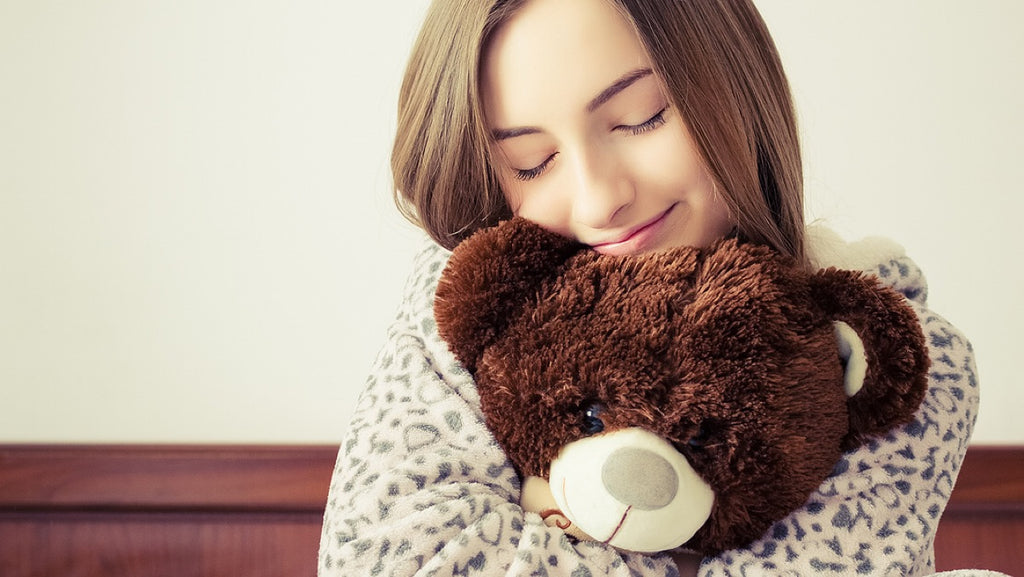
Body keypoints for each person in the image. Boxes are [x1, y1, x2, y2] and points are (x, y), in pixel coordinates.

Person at [318, 0, 978, 575]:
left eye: (640, 118)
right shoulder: (473, 306)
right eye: (533, 162)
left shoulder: (886, 351)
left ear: (736, 84)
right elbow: (386, 561)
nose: (601, 197)